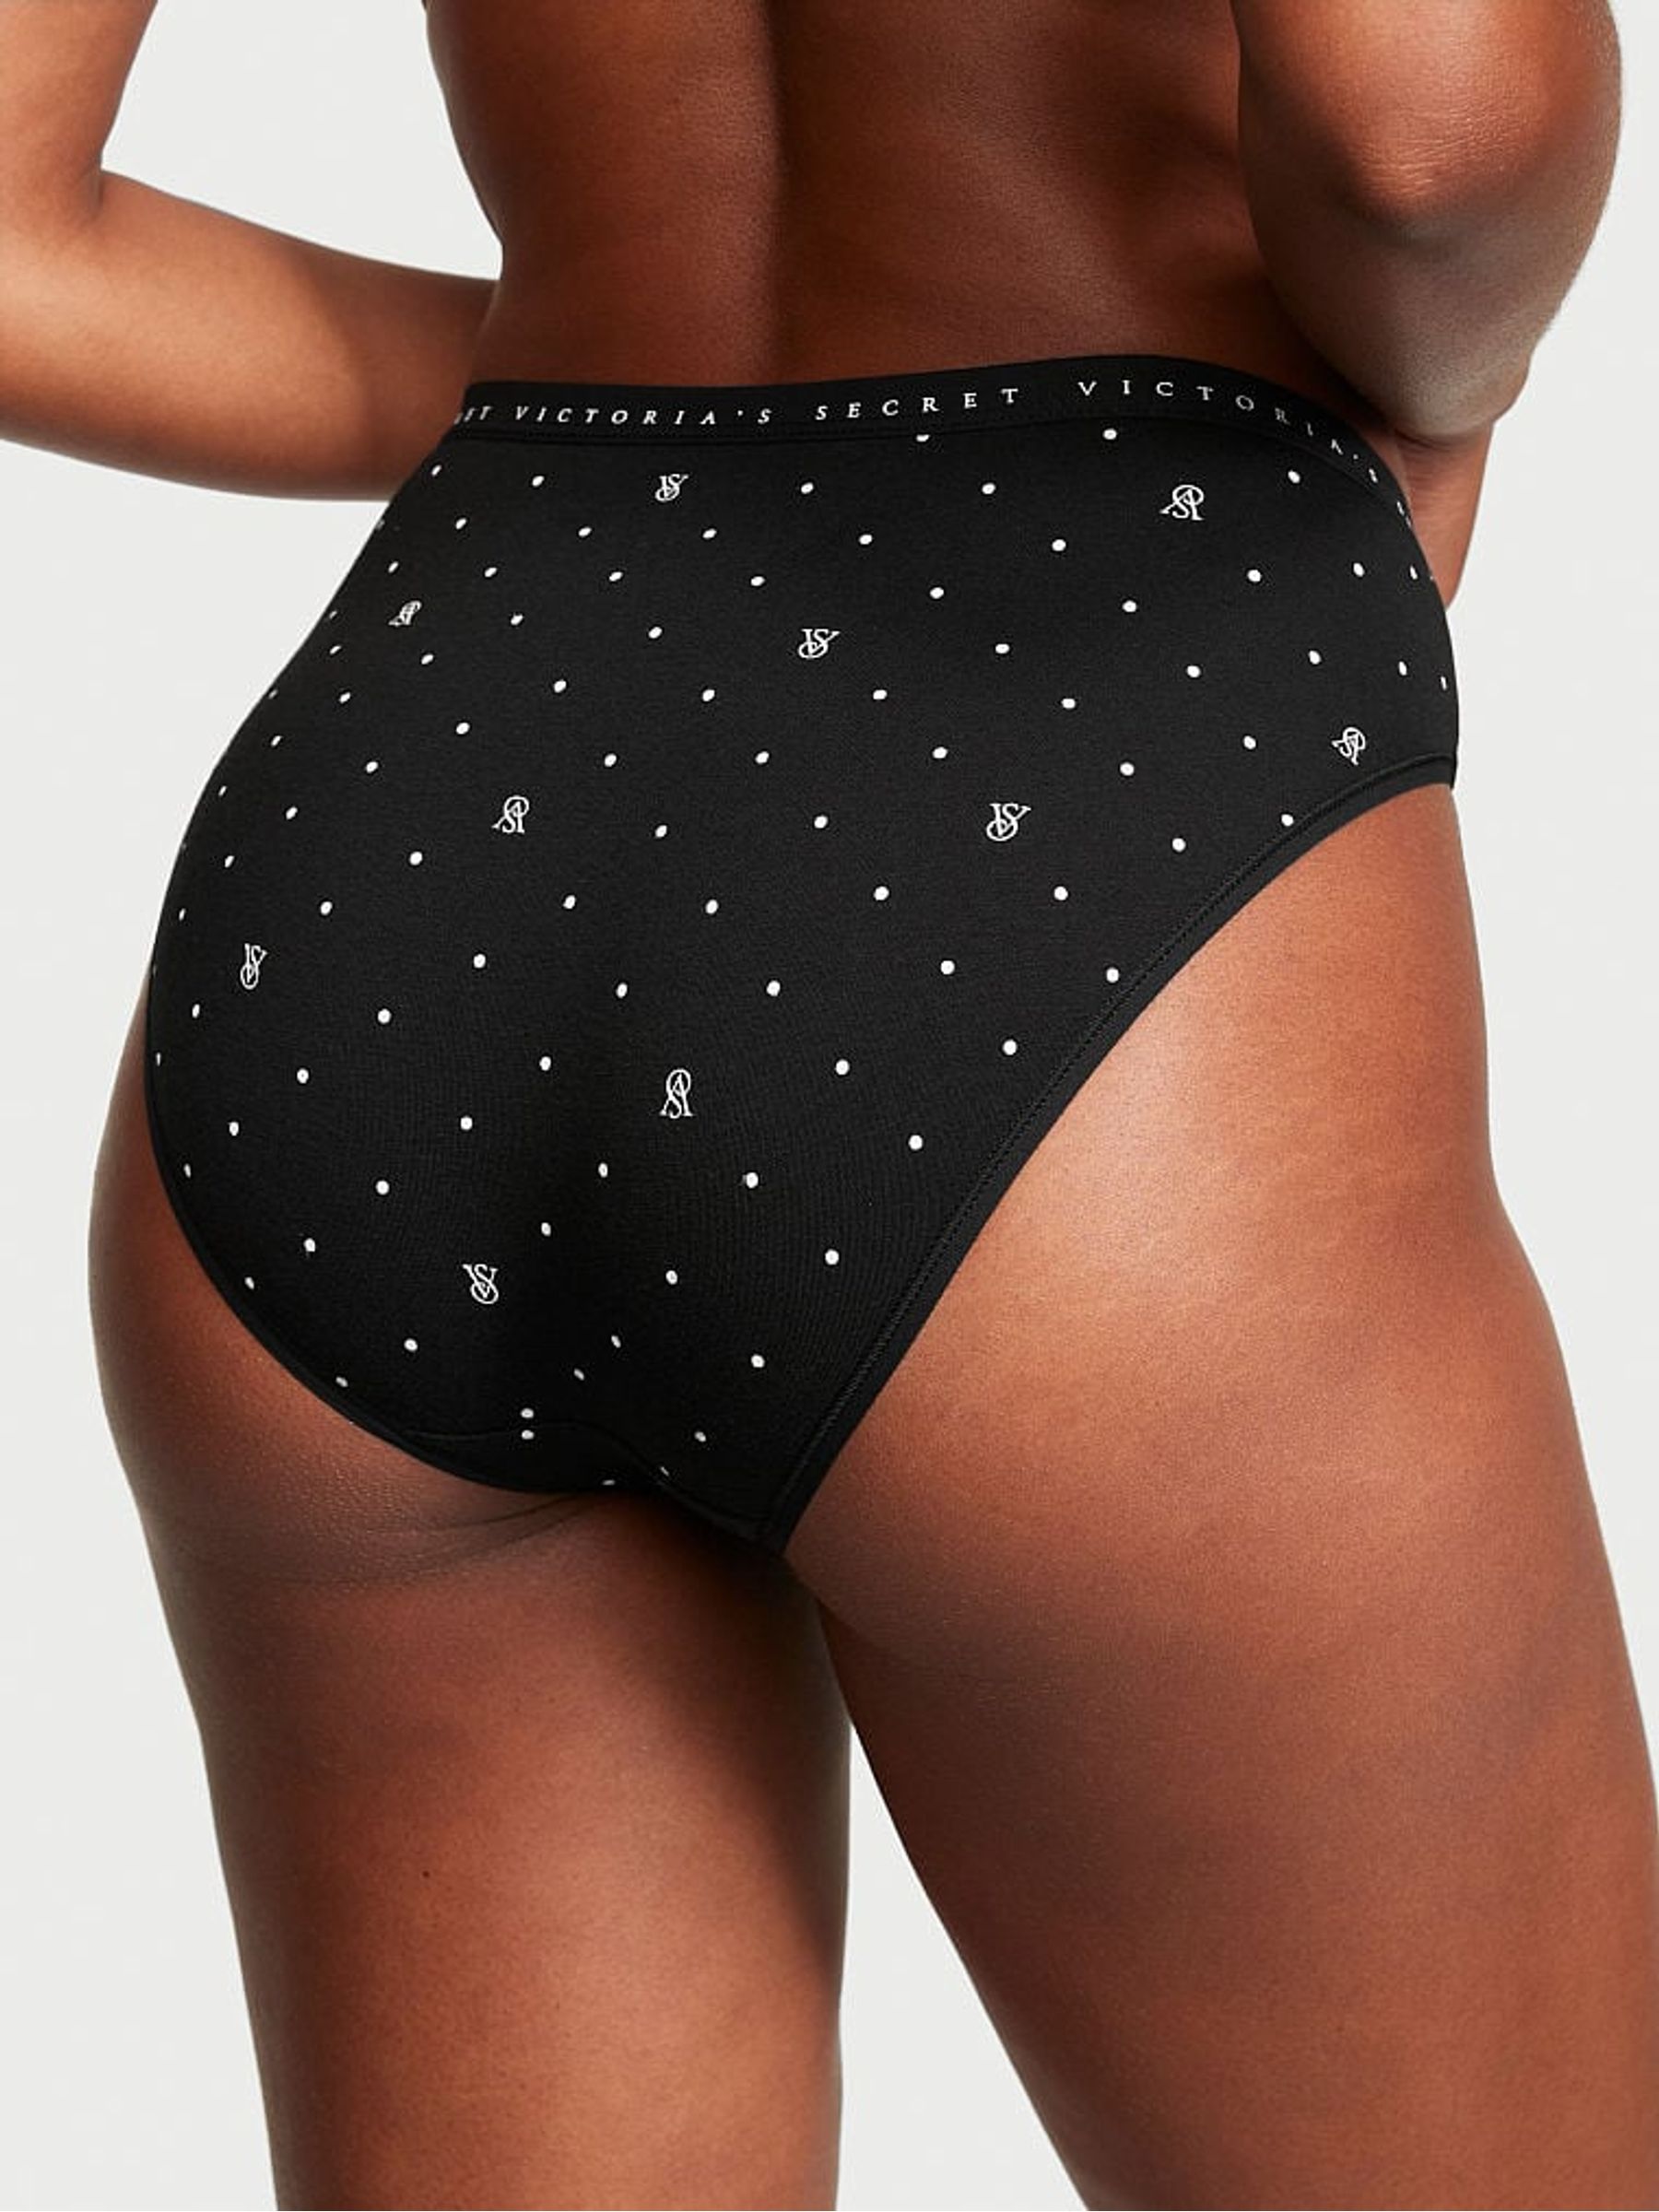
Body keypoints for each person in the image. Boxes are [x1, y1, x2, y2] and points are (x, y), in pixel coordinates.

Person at [4, 1, 1651, 2203]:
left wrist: (574, 402)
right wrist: (1440, 397)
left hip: (428, 805)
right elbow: (1434, 130)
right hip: (1068, 786)